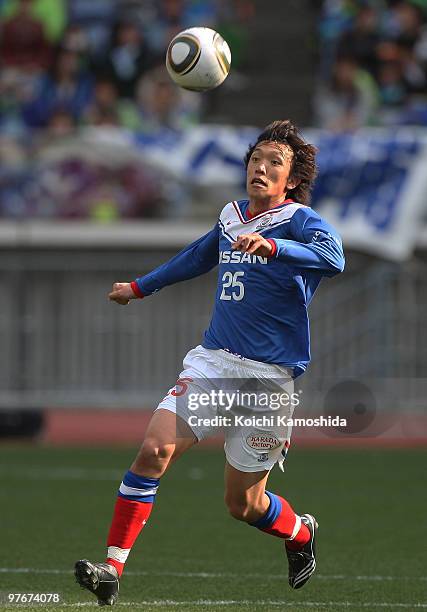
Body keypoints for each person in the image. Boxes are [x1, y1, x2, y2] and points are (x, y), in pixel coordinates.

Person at [74, 119, 345, 606]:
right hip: (214, 364)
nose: (260, 168)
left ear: (291, 181)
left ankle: (300, 532)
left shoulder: (301, 221)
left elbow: (334, 257)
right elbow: (198, 256)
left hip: (270, 382)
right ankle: (112, 566)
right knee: (154, 450)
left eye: (273, 163)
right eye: (256, 159)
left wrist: (273, 246)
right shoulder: (229, 217)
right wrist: (139, 287)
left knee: (243, 504)